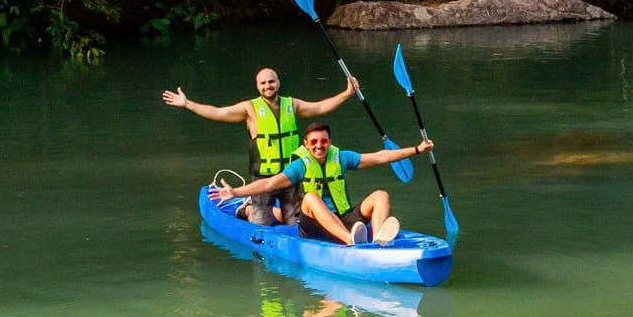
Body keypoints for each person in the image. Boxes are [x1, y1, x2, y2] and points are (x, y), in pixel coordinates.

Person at [163, 68, 359, 224]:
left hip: (291, 176)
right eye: (263, 83)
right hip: (263, 176)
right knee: (261, 223)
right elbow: (217, 112)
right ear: (257, 86)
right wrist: (187, 104)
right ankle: (246, 208)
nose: (268, 86)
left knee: (296, 224)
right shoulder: (249, 108)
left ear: (278, 83)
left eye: (271, 81)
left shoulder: (292, 104)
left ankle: (277, 212)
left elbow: (320, 107)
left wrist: (347, 93)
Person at [212, 122, 432, 246]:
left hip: (344, 217)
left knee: (381, 195)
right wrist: (235, 192)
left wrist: (416, 149)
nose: (320, 146)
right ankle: (352, 242)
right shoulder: (300, 165)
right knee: (310, 197)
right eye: (314, 142)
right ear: (306, 145)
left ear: (330, 142)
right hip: (313, 227)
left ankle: (377, 242)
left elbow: (379, 157)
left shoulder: (341, 157)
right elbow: (270, 183)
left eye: (324, 141)